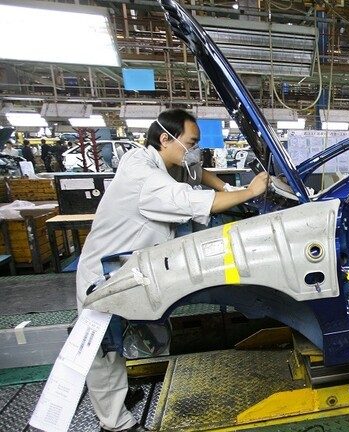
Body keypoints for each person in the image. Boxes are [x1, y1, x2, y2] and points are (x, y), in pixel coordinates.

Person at [76, 109, 269, 432]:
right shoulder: (146, 178)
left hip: (131, 268)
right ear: (166, 139)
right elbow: (193, 202)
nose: (194, 150)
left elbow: (197, 172)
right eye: (191, 143)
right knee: (105, 349)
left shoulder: (155, 158)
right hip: (104, 274)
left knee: (130, 335)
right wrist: (250, 192)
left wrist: (225, 187)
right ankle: (115, 423)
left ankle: (119, 394)